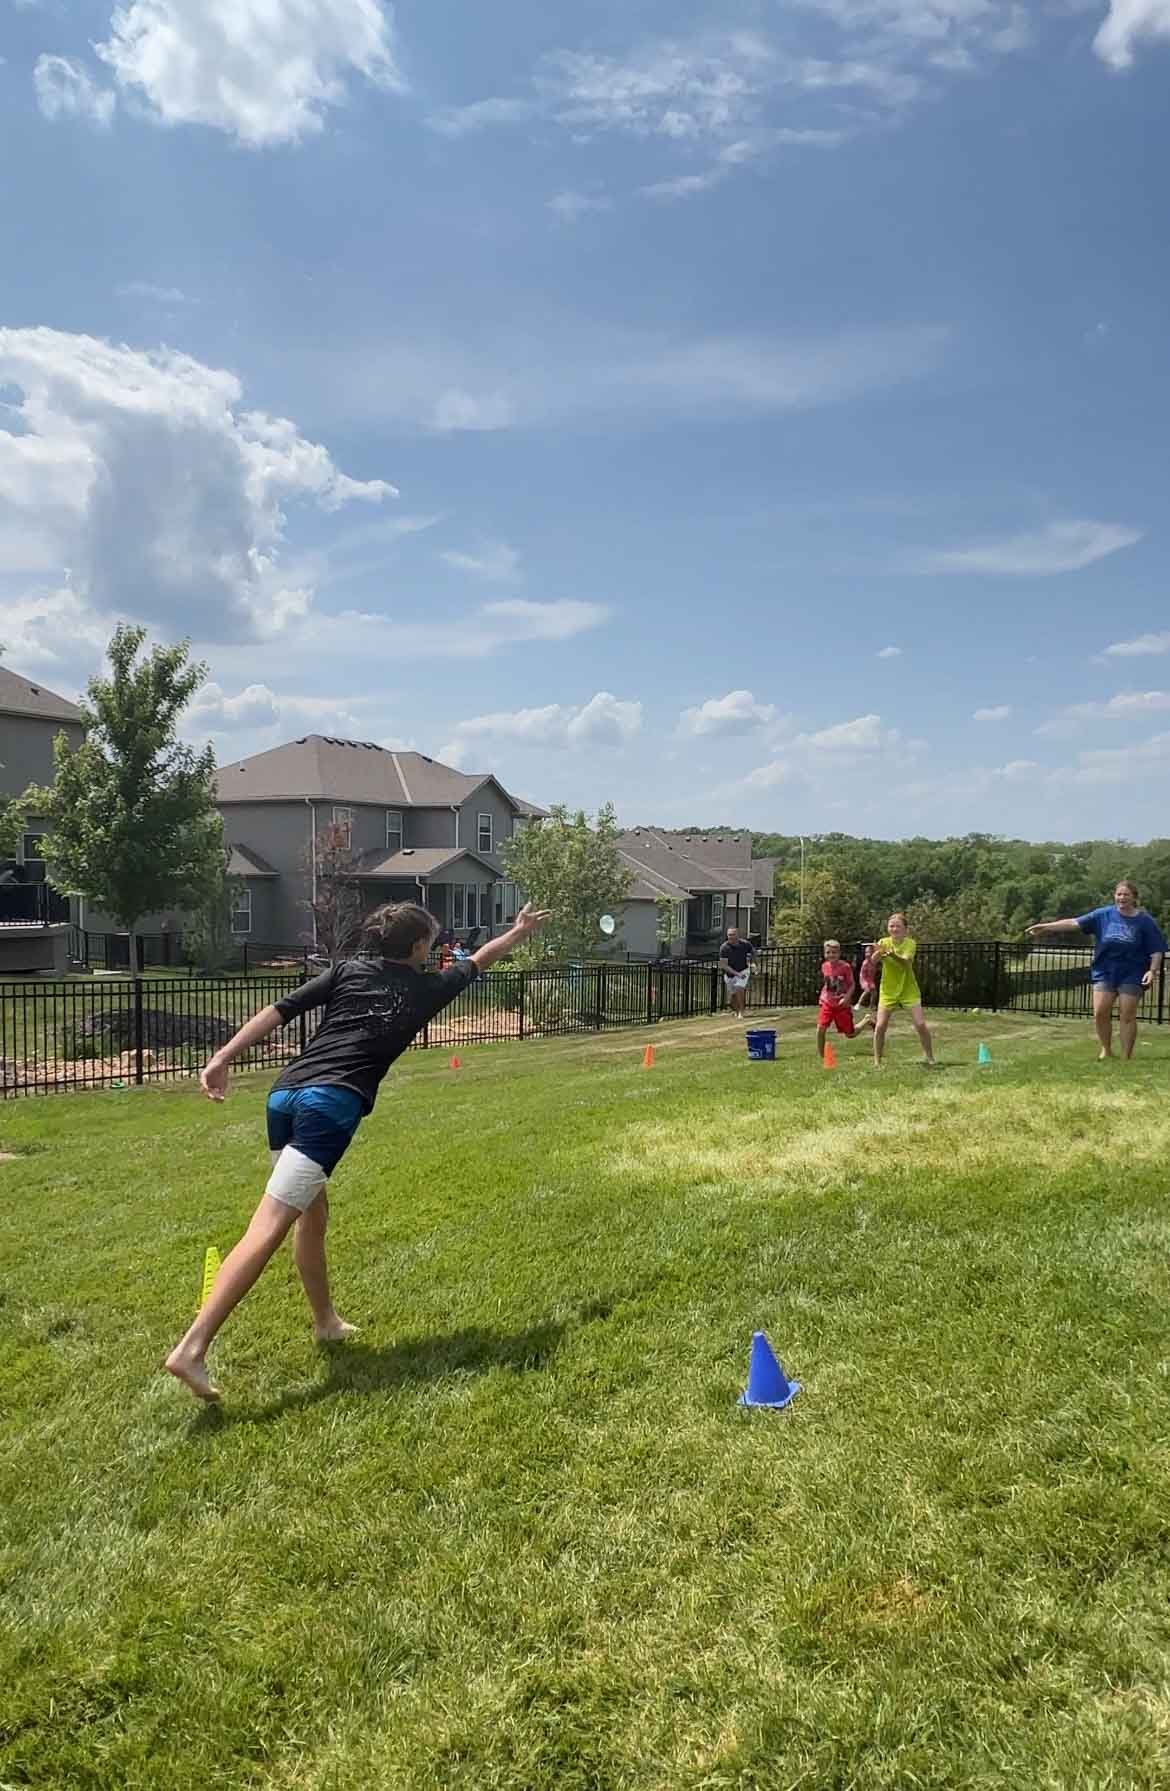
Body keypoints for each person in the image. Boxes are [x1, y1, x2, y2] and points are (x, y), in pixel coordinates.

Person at [165, 899, 551, 1401]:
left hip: (285, 1096)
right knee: (268, 1227)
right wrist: (519, 932)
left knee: (313, 1214)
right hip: (328, 1107)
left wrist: (222, 1057)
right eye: (430, 941)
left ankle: (325, 1321)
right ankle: (192, 1349)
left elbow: (277, 1010)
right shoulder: (427, 987)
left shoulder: (347, 971)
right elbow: (483, 958)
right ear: (416, 948)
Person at [1027, 880, 1166, 1061]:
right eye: (1119, 894)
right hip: (1105, 970)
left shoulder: (1145, 921)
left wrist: (1152, 971)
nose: (1122, 898)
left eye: (1126, 895)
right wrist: (1046, 927)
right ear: (1114, 896)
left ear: (1134, 898)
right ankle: (1106, 1050)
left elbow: (1156, 949)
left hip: (1132, 971)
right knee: (1100, 1012)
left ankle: (1126, 1057)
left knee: (1127, 1014)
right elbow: (1074, 923)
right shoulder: (1103, 915)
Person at [872, 913, 936, 1068]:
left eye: (897, 926)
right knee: (880, 1026)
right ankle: (877, 1061)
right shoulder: (883, 942)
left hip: (909, 990)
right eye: (891, 926)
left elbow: (906, 963)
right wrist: (878, 953)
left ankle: (930, 1057)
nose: (894, 929)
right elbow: (873, 961)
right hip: (888, 991)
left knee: (920, 1024)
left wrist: (893, 954)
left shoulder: (910, 943)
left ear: (905, 929)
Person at [817, 939, 855, 1058]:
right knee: (820, 1028)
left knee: (850, 1034)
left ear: (839, 953)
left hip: (841, 1005)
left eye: (834, 952)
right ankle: (822, 1056)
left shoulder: (845, 967)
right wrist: (822, 997)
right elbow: (828, 984)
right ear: (825, 953)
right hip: (827, 1003)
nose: (831, 955)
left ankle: (866, 1021)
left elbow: (852, 984)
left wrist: (847, 998)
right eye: (828, 952)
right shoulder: (824, 966)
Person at [719, 925, 755, 1019]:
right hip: (730, 974)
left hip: (743, 970)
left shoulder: (745, 944)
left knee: (740, 988)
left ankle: (741, 1012)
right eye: (729, 935)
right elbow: (724, 965)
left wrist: (753, 963)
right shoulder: (724, 948)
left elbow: (753, 953)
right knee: (732, 996)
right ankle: (736, 1010)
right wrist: (736, 974)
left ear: (737, 935)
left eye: (733, 934)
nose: (731, 936)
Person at [852, 942, 880, 1029]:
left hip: (870, 980)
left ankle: (872, 1005)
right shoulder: (865, 963)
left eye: (870, 953)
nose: (868, 954)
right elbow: (863, 974)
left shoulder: (874, 962)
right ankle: (858, 1004)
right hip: (864, 979)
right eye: (866, 953)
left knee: (874, 992)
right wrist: (867, 983)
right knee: (868, 990)